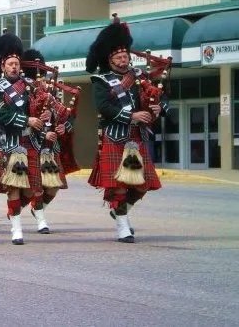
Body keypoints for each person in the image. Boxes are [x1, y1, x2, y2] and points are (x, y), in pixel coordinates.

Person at [86, 15, 167, 243]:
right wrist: (131, 115)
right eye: (119, 57)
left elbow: (158, 98)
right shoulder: (101, 80)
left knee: (142, 186)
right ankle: (123, 227)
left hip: (136, 137)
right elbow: (103, 107)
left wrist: (157, 109)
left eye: (125, 56)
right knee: (119, 187)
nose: (123, 60)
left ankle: (119, 212)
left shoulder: (139, 78)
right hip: (115, 136)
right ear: (110, 59)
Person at [0, 33, 46, 245]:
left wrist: (46, 115)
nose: (14, 67)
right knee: (14, 187)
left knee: (32, 188)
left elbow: (42, 109)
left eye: (17, 63)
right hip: (7, 142)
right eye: (10, 64)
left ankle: (13, 212)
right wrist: (27, 120)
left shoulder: (31, 87)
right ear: (3, 66)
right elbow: (0, 114)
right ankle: (16, 228)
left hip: (29, 142)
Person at [21, 49, 74, 234]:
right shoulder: (21, 95)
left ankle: (36, 208)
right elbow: (19, 121)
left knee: (53, 187)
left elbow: (67, 117)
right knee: (35, 187)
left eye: (42, 78)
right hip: (30, 144)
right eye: (37, 78)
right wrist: (42, 131)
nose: (40, 82)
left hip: (51, 147)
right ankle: (40, 219)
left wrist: (63, 127)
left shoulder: (50, 96)